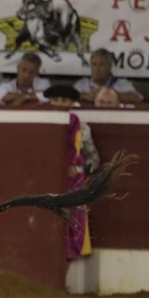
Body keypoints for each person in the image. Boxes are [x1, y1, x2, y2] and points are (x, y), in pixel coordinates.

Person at [43, 84, 100, 260]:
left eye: (65, 100)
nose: (60, 103)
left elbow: (93, 158)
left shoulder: (82, 128)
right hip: (47, 177)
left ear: (72, 103)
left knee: (75, 213)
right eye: (56, 100)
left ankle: (73, 251)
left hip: (74, 179)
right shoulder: (42, 123)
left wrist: (79, 169)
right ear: (50, 101)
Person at [73, 48, 143, 104]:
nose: (97, 69)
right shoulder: (82, 84)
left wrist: (111, 94)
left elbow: (137, 98)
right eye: (94, 64)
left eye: (101, 65)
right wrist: (85, 96)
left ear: (109, 67)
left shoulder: (122, 84)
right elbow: (67, 97)